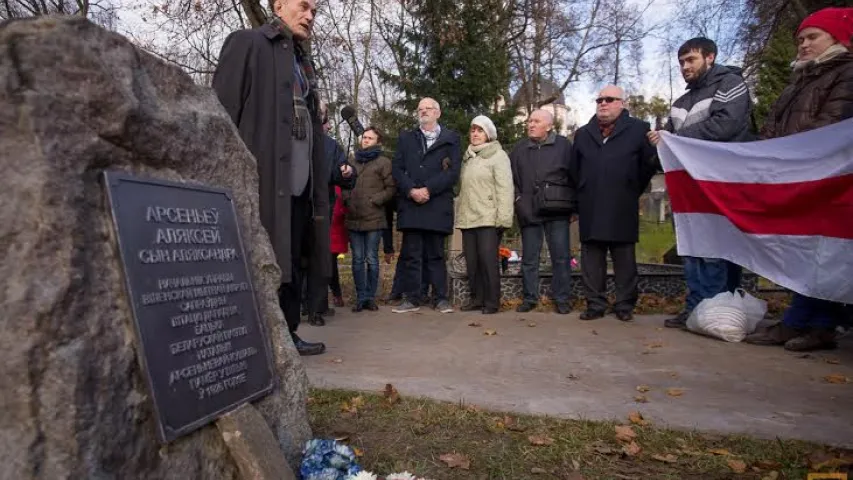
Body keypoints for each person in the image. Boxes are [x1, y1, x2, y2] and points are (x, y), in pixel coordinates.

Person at [212, 0, 332, 356]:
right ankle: (252, 341)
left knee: (292, 261)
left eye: (315, 10)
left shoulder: (302, 63)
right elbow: (220, 118)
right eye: (304, 6)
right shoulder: (247, 43)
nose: (310, 15)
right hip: (259, 184)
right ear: (279, 4)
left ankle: (287, 334)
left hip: (301, 187)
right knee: (260, 263)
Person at [744, 7, 853, 351]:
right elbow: (773, 124)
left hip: (825, 178)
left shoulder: (847, 74)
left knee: (822, 252)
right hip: (795, 174)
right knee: (803, 251)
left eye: (812, 37)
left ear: (838, 39)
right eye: (800, 39)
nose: (803, 45)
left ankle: (813, 323)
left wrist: (790, 153)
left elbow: (833, 125)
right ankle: (805, 320)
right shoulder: (800, 80)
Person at [648, 37, 754, 329]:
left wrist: (673, 138)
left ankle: (718, 310)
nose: (685, 66)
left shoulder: (730, 84)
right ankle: (696, 308)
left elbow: (725, 125)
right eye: (681, 62)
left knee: (716, 250)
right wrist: (660, 142)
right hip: (688, 188)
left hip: (720, 182)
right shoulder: (680, 103)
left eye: (691, 60)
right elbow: (667, 140)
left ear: (710, 57)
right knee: (692, 248)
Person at [571, 86, 658, 321]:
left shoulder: (639, 130)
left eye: (609, 99)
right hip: (591, 203)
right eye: (599, 99)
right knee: (592, 260)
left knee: (624, 259)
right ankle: (595, 304)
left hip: (622, 203)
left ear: (622, 103)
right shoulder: (584, 133)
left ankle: (624, 305)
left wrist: (631, 188)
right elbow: (574, 170)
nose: (603, 103)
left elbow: (647, 166)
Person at [391, 98, 462, 314]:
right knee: (411, 254)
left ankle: (440, 297)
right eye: (420, 109)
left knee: (436, 254)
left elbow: (452, 173)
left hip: (437, 205)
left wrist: (428, 189)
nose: (423, 112)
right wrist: (412, 190)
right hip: (411, 204)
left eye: (428, 108)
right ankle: (412, 298)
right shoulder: (406, 138)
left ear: (438, 113)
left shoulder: (451, 140)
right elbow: (397, 169)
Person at [510, 109, 575, 314]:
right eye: (529, 121)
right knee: (529, 258)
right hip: (529, 210)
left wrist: (575, 207)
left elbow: (574, 175)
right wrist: (518, 201)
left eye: (536, 121)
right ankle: (530, 298)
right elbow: (512, 178)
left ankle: (562, 298)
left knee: (561, 257)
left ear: (548, 125)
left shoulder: (564, 145)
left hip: (557, 208)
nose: (530, 124)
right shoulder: (519, 149)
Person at [303, 105, 356, 325]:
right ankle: (294, 306)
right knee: (295, 258)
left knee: (319, 258)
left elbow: (343, 176)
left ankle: (316, 308)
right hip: (293, 204)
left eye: (321, 111)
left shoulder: (331, 146)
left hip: (321, 208)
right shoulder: (287, 137)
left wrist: (348, 172)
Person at [455, 115, 514, 315]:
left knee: (488, 262)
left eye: (480, 130)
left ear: (488, 134)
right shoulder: (468, 157)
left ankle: (491, 301)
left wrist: (504, 219)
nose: (475, 134)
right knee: (472, 263)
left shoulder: (498, 155)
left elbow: (505, 188)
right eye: (473, 130)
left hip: (489, 218)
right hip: (468, 217)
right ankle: (477, 298)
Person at [344, 127, 396, 312]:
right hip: (353, 217)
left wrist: (375, 200)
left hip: (374, 218)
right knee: (357, 259)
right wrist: (347, 198)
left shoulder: (383, 162)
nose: (365, 140)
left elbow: (391, 188)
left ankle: (370, 297)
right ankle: (361, 297)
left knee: (371, 258)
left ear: (377, 141)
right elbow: (344, 183)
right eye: (364, 137)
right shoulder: (352, 160)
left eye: (370, 138)